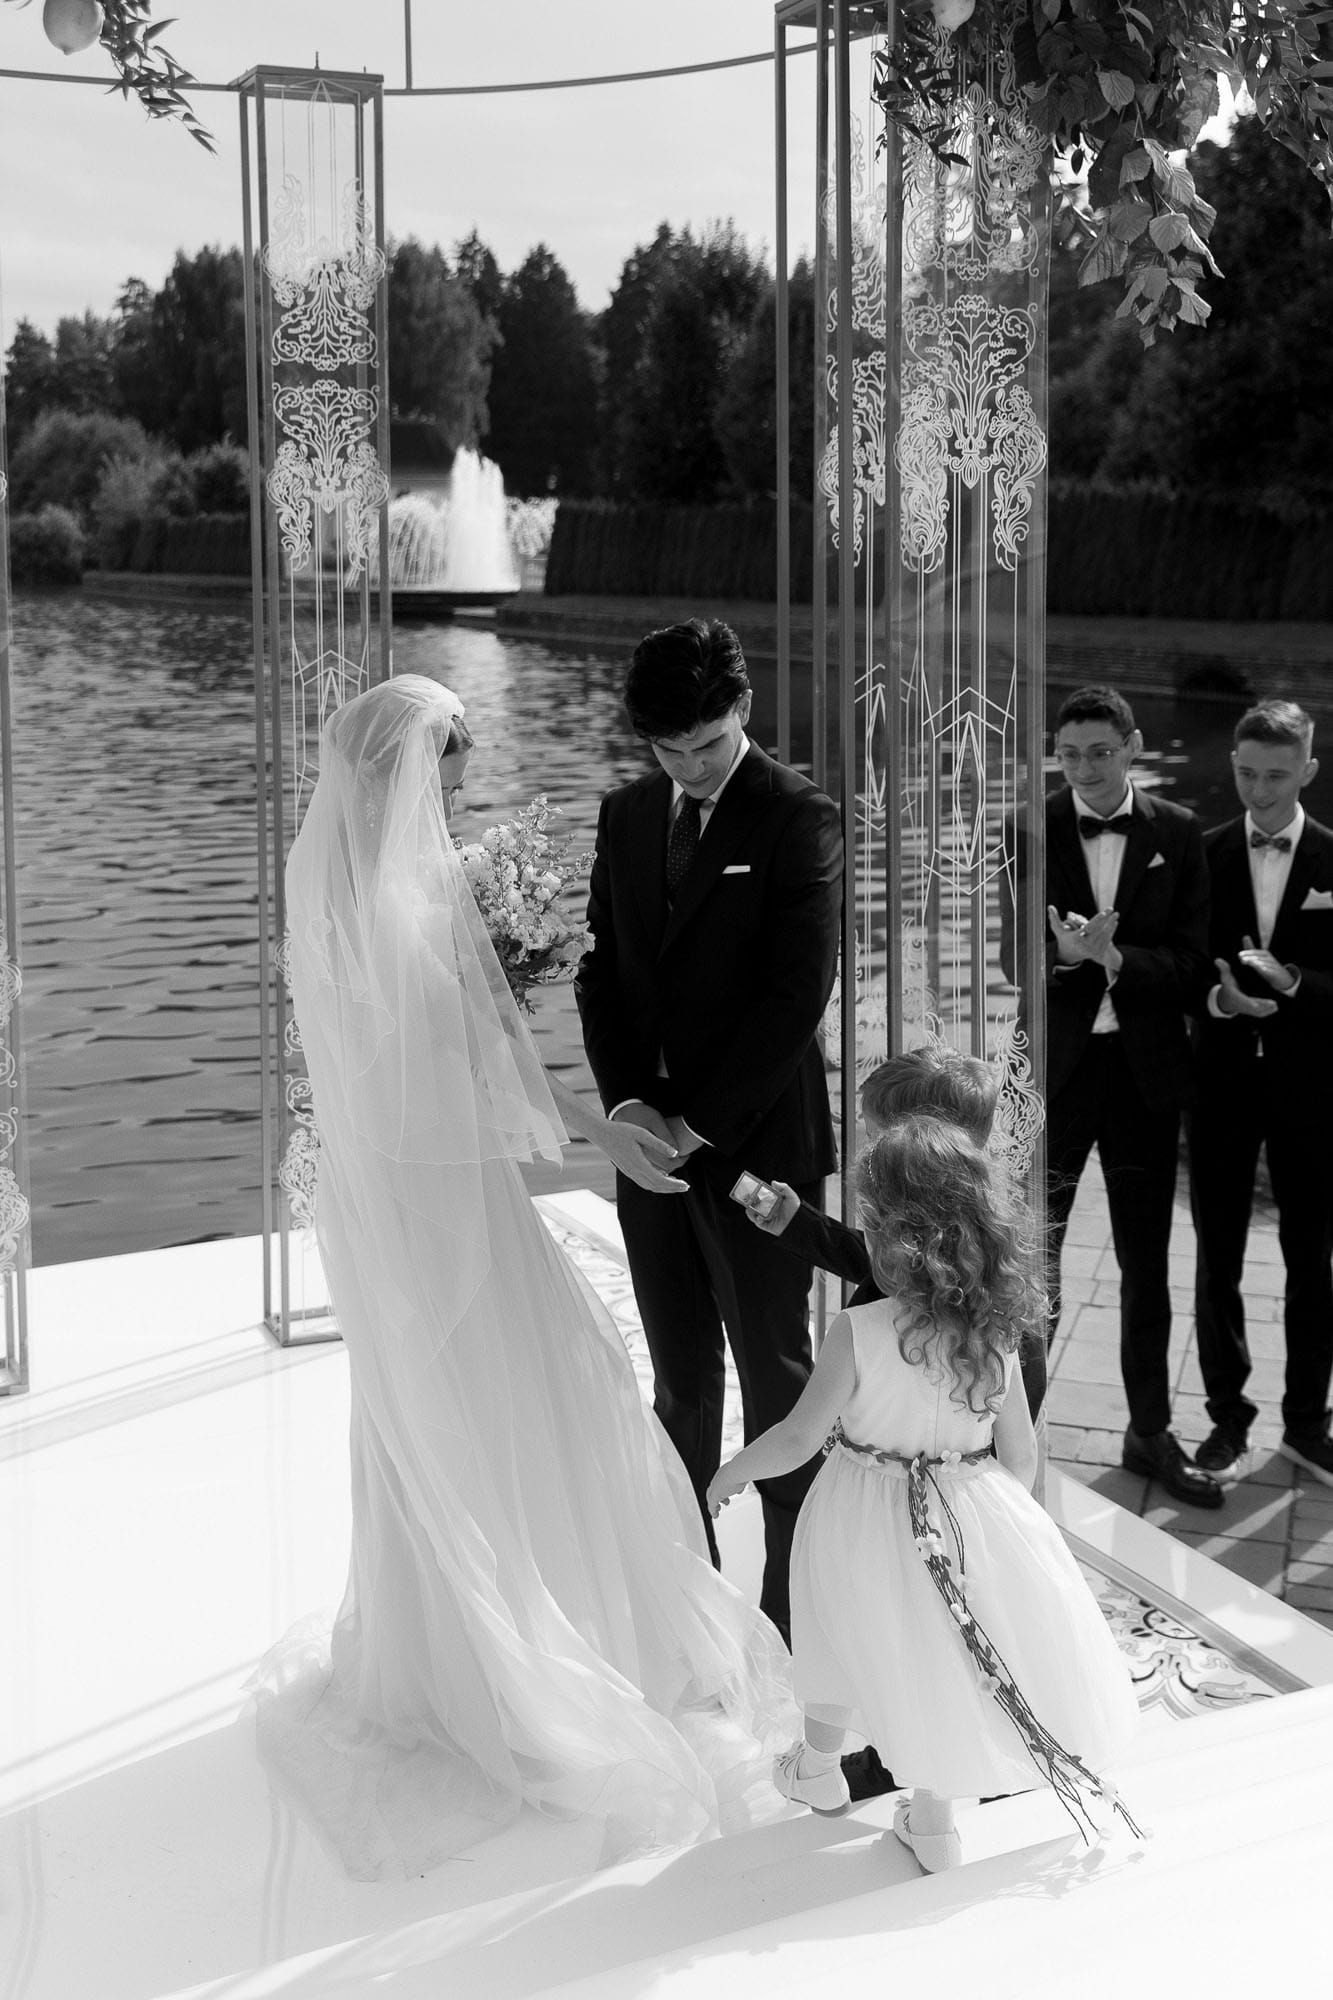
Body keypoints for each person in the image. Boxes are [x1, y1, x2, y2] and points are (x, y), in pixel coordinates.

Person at [253, 675, 796, 1881]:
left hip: (417, 1190)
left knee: (464, 1399)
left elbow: (445, 1056)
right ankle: (522, 1669)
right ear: (401, 772)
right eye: (447, 768)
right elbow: (453, 1071)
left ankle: (462, 1652)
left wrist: (527, 1026)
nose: (457, 788)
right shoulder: (404, 894)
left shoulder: (347, 882)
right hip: (439, 1195)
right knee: (503, 1390)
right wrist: (596, 1127)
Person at [707, 1119, 1140, 1869]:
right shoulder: (997, 1330)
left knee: (840, 1628)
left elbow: (799, 1436)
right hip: (966, 1508)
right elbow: (1021, 1453)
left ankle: (816, 1766)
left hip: (861, 1508)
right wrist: (991, 1520)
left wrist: (733, 1471)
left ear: (886, 1231)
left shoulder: (859, 1329)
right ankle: (934, 1821)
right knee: (944, 1655)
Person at [576, 618, 843, 1644]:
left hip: (758, 1147)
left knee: (778, 1380)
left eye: (708, 743)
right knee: (679, 1381)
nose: (690, 766)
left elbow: (794, 998)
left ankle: (792, 1608)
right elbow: (601, 974)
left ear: (743, 708)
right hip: (646, 1147)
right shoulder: (625, 813)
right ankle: (685, 1600)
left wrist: (697, 1125)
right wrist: (628, 1110)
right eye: (669, 749)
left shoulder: (799, 815)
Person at [1038, 685, 1219, 1507]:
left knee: (1146, 1263)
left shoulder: (1177, 832)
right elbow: (1008, 956)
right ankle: (1010, 1425)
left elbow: (1191, 965)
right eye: (1069, 755)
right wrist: (1064, 957)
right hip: (1058, 1075)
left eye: (1100, 753)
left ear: (1133, 746)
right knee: (1033, 1256)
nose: (1084, 770)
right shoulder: (1030, 825)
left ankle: (1148, 1432)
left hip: (1145, 1078)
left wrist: (1114, 961)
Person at [744, 1047, 1047, 1422]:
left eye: (875, 1138)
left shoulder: (992, 1259)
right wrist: (798, 1224)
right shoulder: (947, 1227)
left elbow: (1023, 1378)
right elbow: (880, 1262)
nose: (867, 1152)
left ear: (925, 1145)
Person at [1188, 700, 1333, 1486]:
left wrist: (1294, 982)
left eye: (1276, 775)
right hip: (1219, 1084)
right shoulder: (1201, 852)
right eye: (1245, 773)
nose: (1258, 789)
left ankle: (1306, 1424)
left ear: (1307, 768)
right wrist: (1218, 1000)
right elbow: (1181, 966)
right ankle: (1225, 1419)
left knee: (1313, 1260)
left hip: (1312, 1089)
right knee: (1217, 1258)